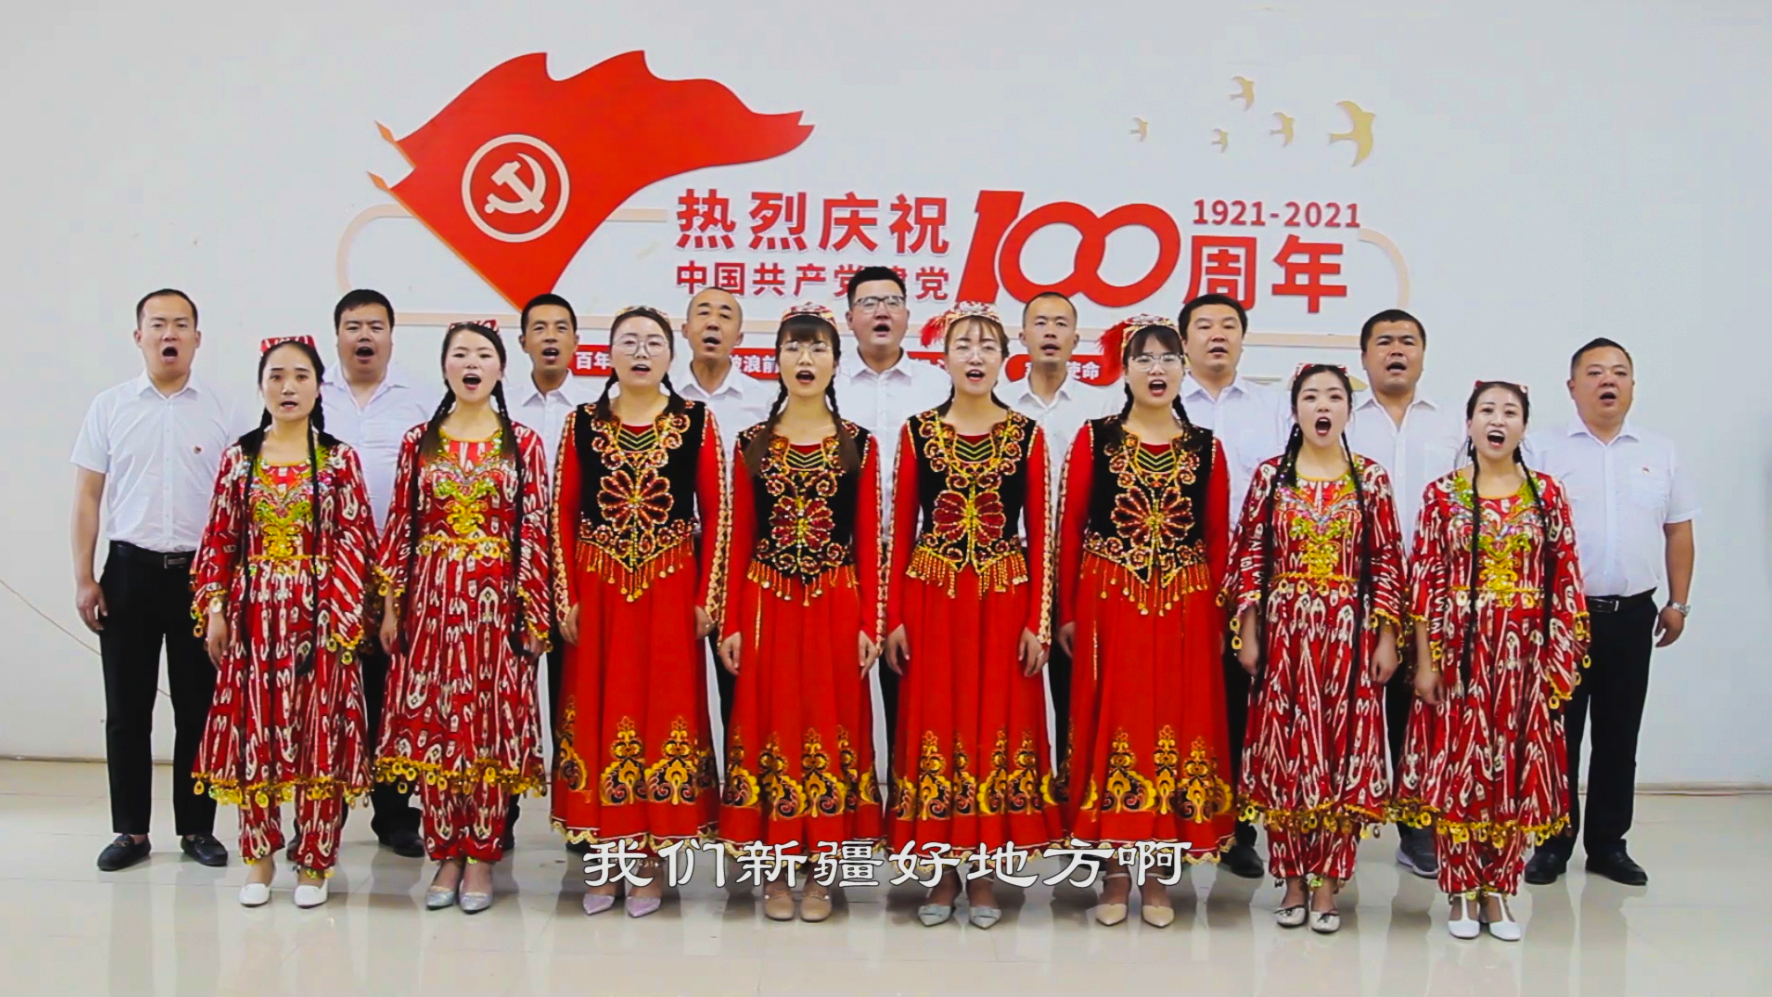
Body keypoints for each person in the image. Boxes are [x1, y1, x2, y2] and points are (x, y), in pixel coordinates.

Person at [884, 303, 1060, 929]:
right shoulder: (917, 432)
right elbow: (900, 528)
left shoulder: (1027, 435)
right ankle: (940, 871)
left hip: (1003, 599)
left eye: (987, 346)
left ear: (1005, 358)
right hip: (932, 599)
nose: (976, 356)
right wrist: (893, 616)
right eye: (963, 345)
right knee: (938, 725)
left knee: (995, 730)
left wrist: (1039, 619)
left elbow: (1041, 532)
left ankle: (985, 874)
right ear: (944, 358)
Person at [1394, 381, 1589, 942]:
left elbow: (1565, 579)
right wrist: (1425, 662)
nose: (1497, 420)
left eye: (1509, 412)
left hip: (1524, 660)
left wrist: (1558, 661)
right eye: (1486, 411)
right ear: (1470, 424)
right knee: (1461, 768)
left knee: (1512, 771)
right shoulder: (1443, 495)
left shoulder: (1547, 494)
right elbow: (1425, 582)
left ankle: (1500, 890)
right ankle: (1460, 889)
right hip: (1459, 657)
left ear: (1523, 427)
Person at [1058, 316, 1237, 928]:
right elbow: (1071, 527)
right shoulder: (1095, 438)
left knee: (1175, 728)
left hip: (1185, 605)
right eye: (1143, 359)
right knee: (1116, 723)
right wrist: (1066, 611)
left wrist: (1218, 616)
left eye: (1167, 359)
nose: (1156, 370)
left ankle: (1158, 873)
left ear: (1184, 368)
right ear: (1125, 370)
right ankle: (1114, 870)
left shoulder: (1206, 447)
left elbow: (1217, 537)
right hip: (1109, 604)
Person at [550, 306, 727, 918]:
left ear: (671, 355)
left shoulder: (696, 422)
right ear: (609, 354)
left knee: (663, 710)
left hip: (670, 588)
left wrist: (708, 596)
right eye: (629, 341)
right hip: (598, 589)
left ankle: (651, 858)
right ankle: (606, 853)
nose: (642, 352)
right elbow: (561, 511)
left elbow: (718, 512)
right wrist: (566, 593)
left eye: (653, 342)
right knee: (600, 710)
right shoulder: (581, 423)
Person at [190, 337, 375, 908]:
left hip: (321, 618)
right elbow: (219, 539)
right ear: (261, 386)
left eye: (300, 376)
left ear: (319, 387)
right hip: (254, 621)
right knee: (257, 733)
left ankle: (315, 859)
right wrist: (216, 609)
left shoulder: (339, 460)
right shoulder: (239, 459)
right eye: (276, 376)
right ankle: (259, 856)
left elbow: (355, 540)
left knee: (318, 735)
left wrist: (341, 616)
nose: (288, 387)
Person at [375, 322, 552, 914]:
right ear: (446, 367)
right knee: (437, 728)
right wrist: (392, 605)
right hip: (431, 605)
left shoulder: (523, 443)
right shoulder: (419, 441)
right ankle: (445, 853)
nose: (471, 363)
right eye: (460, 354)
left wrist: (533, 613)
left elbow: (534, 529)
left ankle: (481, 855)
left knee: (488, 730)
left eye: (483, 355)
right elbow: (402, 524)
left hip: (496, 608)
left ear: (501, 368)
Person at [717, 302, 884, 923]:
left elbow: (869, 540)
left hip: (836, 601)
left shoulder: (858, 445)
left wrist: (870, 621)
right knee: (772, 726)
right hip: (767, 602)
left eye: (817, 349)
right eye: (794, 347)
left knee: (832, 726)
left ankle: (825, 870)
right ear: (778, 361)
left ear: (837, 363)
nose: (805, 358)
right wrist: (732, 620)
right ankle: (774, 868)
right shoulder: (752, 444)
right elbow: (738, 536)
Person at [1226, 364, 1406, 934]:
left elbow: (1387, 560)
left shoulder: (1370, 479)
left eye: (1333, 397)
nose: (1322, 406)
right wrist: (1249, 630)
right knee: (1287, 755)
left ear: (1348, 410)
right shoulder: (1271, 477)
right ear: (1296, 410)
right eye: (1311, 397)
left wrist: (1387, 637)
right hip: (1286, 637)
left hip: (1349, 638)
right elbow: (1250, 553)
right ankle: (1292, 880)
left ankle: (1330, 881)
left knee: (1340, 756)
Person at [72, 289, 236, 872]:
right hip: (127, 573)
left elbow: (237, 506)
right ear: (138, 335)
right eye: (159, 323)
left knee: (197, 708)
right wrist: (84, 577)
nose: (170, 334)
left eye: (181, 324)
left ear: (197, 338)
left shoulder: (225, 410)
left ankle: (197, 828)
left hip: (199, 578)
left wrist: (227, 593)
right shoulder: (110, 407)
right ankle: (131, 831)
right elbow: (87, 496)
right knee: (127, 709)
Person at [1523, 338, 1697, 888]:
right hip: (1562, 618)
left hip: (1632, 615)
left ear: (1632, 386)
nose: (1608, 381)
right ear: (1572, 386)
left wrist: (1677, 602)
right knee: (1559, 735)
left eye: (1619, 372)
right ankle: (1552, 843)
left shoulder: (1660, 451)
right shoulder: (1542, 450)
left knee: (1620, 735)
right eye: (1595, 372)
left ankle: (1608, 845)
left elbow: (1678, 530)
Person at [1346, 309, 1464, 880]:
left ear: (1422, 353)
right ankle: (1337, 830)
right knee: (1352, 709)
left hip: (1433, 588)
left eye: (1408, 342)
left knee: (1422, 711)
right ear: (1364, 356)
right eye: (1385, 342)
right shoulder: (1342, 417)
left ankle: (1418, 831)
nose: (1397, 351)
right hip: (1354, 588)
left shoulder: (1452, 424)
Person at [1176, 292, 1288, 880]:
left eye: (1228, 326)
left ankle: (1236, 829)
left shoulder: (1272, 409)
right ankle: (1166, 821)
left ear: (1243, 339)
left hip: (1252, 579)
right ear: (1183, 341)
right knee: (1173, 702)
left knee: (1239, 706)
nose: (1216, 335)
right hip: (1174, 578)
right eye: (1204, 326)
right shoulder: (1161, 401)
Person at [321, 288, 434, 858]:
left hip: (398, 570)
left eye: (375, 326)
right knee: (329, 693)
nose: (364, 336)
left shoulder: (419, 401)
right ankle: (324, 813)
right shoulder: (311, 395)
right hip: (329, 570)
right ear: (337, 335)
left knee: (392, 694)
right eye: (353, 326)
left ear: (391, 336)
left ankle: (395, 815)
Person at [834, 267, 950, 765]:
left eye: (892, 302)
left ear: (906, 315)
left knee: (914, 683)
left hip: (919, 558)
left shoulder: (938, 384)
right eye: (868, 303)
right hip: (843, 558)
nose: (881, 311)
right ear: (849, 319)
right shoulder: (826, 382)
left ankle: (909, 792)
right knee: (841, 682)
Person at [1006, 291, 1118, 783]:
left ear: (1076, 339)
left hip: (1082, 562)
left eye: (1060, 324)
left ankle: (1077, 787)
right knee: (1017, 680)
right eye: (1040, 323)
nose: (1050, 332)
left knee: (1079, 680)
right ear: (1022, 336)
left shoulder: (1102, 407)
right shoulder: (1000, 402)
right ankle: (1025, 790)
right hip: (1015, 562)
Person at [671, 287, 775, 745]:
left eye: (725, 315)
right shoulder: (661, 397)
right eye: (703, 313)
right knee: (674, 678)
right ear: (684, 329)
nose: (713, 323)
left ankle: (740, 779)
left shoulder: (765, 402)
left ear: (740, 335)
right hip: (677, 553)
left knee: (741, 676)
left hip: (742, 554)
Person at [508, 293, 589, 847]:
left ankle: (577, 813)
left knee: (572, 696)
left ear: (577, 342)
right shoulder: (502, 410)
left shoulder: (594, 412)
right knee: (506, 693)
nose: (551, 337)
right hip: (513, 571)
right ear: (523, 343)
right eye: (540, 328)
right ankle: (500, 813)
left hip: (578, 569)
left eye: (561, 327)